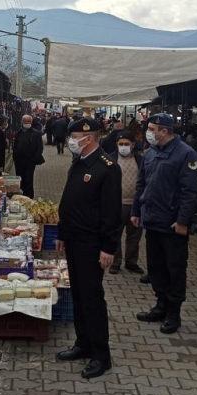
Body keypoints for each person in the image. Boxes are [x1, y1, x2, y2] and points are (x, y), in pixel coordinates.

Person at [56, 117, 122, 379]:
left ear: (89, 138)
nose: (71, 141)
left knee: (92, 299)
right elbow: (68, 201)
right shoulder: (79, 163)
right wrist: (62, 233)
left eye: (75, 137)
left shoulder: (107, 168)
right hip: (73, 239)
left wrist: (109, 247)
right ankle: (82, 344)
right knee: (79, 297)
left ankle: (101, 355)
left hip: (92, 244)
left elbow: (112, 213)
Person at [132, 113, 197, 334]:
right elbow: (141, 184)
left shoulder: (186, 154)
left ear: (164, 130)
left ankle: (173, 313)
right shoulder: (151, 153)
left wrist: (182, 221)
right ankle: (160, 305)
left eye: (152, 129)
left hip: (172, 224)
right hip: (152, 220)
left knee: (175, 269)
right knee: (156, 268)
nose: (148, 132)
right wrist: (136, 211)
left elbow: (190, 192)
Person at [107, 132, 144, 275]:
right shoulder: (110, 159)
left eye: (126, 144)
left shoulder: (140, 160)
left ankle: (131, 262)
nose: (123, 147)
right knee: (115, 234)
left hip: (136, 204)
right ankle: (115, 262)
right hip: (117, 204)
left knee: (134, 236)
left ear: (133, 145)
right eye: (120, 144)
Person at [13, 114, 44, 198]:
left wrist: (34, 159)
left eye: (29, 121)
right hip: (19, 162)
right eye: (26, 121)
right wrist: (15, 157)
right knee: (20, 179)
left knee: (28, 180)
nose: (27, 123)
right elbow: (15, 146)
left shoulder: (36, 133)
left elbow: (40, 148)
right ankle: (20, 196)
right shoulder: (18, 133)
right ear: (22, 122)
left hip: (30, 162)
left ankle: (29, 197)